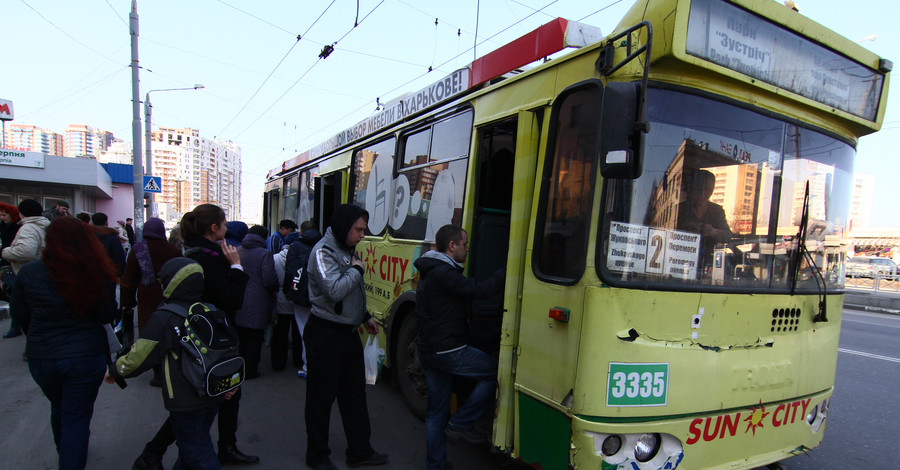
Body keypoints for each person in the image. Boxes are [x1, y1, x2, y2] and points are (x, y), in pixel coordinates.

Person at [131, 204, 256, 469]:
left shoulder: (194, 251)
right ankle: (222, 448)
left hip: (194, 337)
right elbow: (232, 299)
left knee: (197, 407)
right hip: (209, 340)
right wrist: (235, 267)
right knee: (215, 399)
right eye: (224, 224)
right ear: (214, 228)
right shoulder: (210, 258)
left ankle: (154, 454)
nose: (226, 229)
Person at [105, 257, 238, 470]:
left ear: (170, 282)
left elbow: (140, 357)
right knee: (192, 446)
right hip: (214, 393)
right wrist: (229, 385)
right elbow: (229, 351)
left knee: (197, 451)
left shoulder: (166, 316)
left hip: (185, 398)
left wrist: (116, 370)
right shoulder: (210, 309)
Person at [10, 217, 119, 470]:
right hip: (85, 356)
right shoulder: (96, 270)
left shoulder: (30, 271)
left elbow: (19, 313)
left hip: (42, 357)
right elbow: (106, 315)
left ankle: (66, 452)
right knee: (76, 416)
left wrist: (37, 335)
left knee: (59, 406)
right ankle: (70, 458)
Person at [414, 224, 505, 470]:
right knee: (494, 372)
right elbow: (479, 291)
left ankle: (436, 465)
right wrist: (507, 271)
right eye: (465, 245)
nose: (468, 249)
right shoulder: (444, 273)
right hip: (448, 351)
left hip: (429, 351)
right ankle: (462, 423)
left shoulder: (432, 269)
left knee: (435, 412)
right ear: (452, 246)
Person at [304, 204, 387, 470]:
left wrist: (364, 317)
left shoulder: (347, 250)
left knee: (354, 396)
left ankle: (360, 450)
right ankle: (316, 456)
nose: (363, 235)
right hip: (325, 335)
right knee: (321, 399)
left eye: (364, 229)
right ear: (344, 227)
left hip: (348, 334)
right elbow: (335, 290)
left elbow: (352, 295)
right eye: (358, 229)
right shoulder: (323, 252)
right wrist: (357, 270)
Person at [119, 217, 182, 350]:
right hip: (169, 294)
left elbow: (129, 279)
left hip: (146, 294)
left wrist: (128, 302)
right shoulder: (173, 250)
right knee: (168, 327)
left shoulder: (138, 249)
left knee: (148, 330)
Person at [278, 220, 322, 376]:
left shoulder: (295, 246)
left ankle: (307, 366)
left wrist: (287, 291)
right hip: (319, 294)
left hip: (300, 294)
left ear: (301, 232)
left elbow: (290, 271)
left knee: (304, 328)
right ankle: (320, 364)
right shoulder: (323, 245)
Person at [2, 199, 50, 339]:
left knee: (27, 310)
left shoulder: (28, 227)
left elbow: (26, 252)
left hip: (29, 274)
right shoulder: (46, 225)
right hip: (44, 272)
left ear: (21, 213)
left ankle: (35, 343)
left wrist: (6, 252)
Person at [235, 225, 278, 379]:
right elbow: (269, 279)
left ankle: (239, 368)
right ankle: (251, 370)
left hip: (238, 298)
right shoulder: (264, 254)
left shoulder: (238, 250)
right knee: (254, 337)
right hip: (257, 300)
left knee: (241, 337)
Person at [676, 169, 732, 269]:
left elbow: (728, 235)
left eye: (707, 190)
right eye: (699, 189)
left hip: (707, 264)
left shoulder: (717, 210)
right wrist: (683, 227)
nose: (702, 194)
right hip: (680, 260)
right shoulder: (680, 209)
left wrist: (713, 232)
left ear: (712, 191)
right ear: (692, 189)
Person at [271, 230, 302, 372]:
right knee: (298, 333)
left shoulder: (275, 258)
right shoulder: (301, 257)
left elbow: (270, 278)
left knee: (280, 333)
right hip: (296, 299)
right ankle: (298, 360)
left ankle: (278, 363)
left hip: (280, 298)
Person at [0, 202, 21, 303]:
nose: (1, 217)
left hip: (12, 263)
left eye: (4, 215)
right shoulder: (3, 227)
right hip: (5, 263)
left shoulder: (17, 229)